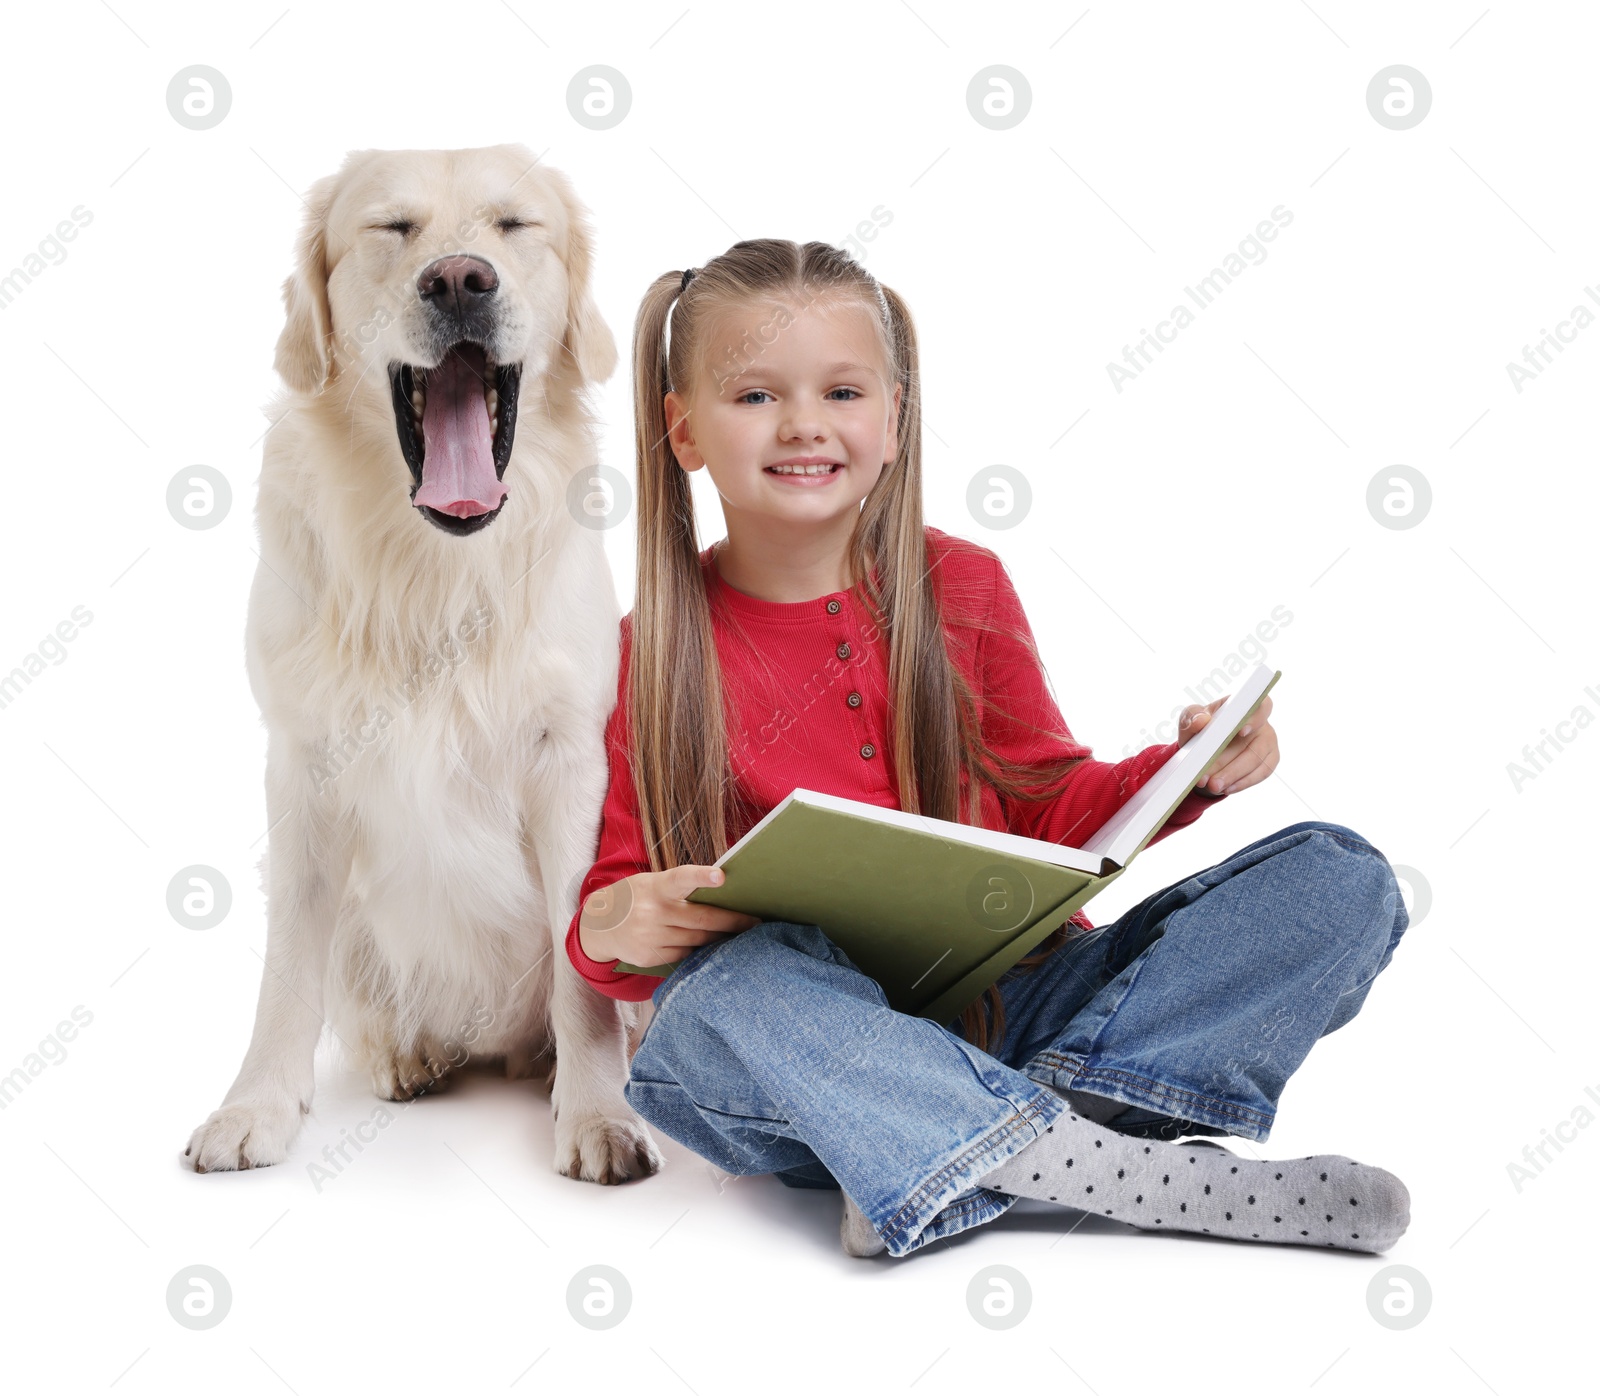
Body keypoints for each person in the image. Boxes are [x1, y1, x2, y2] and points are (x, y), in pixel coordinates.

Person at [564, 239, 1411, 1260]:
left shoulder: (962, 586)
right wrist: (616, 919)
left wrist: (1186, 771)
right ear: (682, 428)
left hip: (1011, 1011)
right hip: (803, 1063)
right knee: (728, 992)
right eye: (753, 395)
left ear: (893, 419)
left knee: (1341, 878)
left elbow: (1052, 806)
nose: (803, 424)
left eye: (841, 390)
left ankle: (943, 1154)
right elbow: (609, 917)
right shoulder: (644, 649)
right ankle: (1122, 1172)